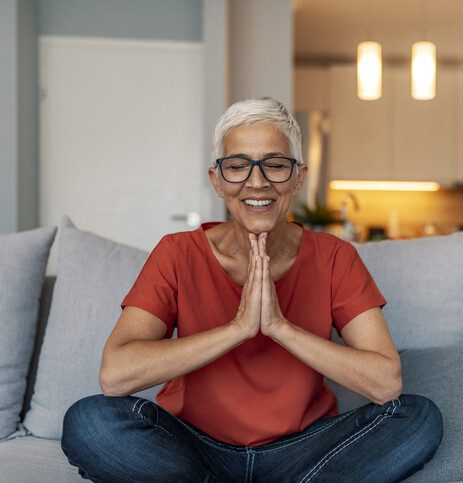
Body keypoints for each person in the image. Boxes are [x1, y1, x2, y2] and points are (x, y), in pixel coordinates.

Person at [61, 97, 443, 482]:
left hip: (302, 449)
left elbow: (386, 383)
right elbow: (115, 374)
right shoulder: (177, 252)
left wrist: (279, 327)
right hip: (195, 447)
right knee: (91, 421)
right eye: (237, 166)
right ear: (217, 180)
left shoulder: (335, 257)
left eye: (275, 165)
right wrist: (238, 328)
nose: (256, 182)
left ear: (298, 178)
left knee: (417, 417)